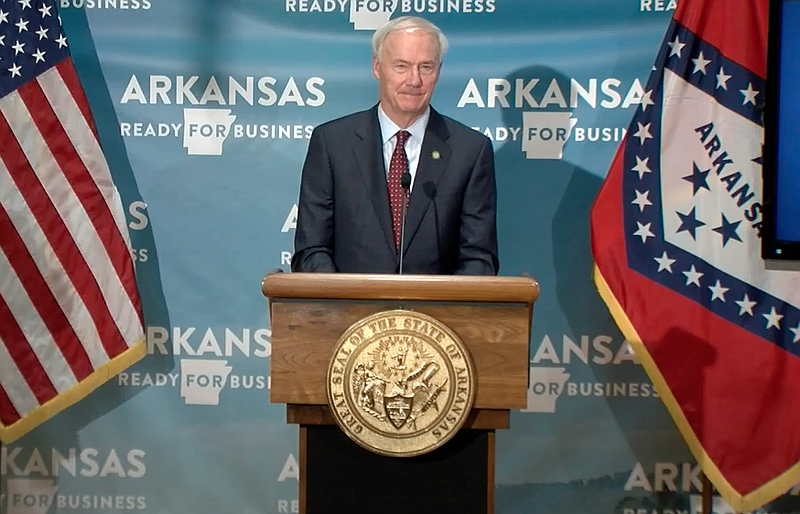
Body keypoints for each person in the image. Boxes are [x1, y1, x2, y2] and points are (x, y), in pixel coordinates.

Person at [291, 16, 498, 275]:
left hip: (436, 313)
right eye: (402, 66)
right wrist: (343, 304)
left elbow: (479, 258)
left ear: (439, 71)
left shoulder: (470, 151)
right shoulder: (332, 143)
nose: (414, 80)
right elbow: (311, 249)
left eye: (426, 67)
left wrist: (441, 311)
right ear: (377, 67)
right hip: (350, 312)